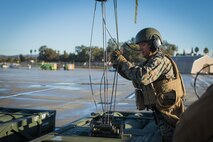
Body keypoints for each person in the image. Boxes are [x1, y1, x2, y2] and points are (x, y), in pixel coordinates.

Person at [110, 27, 185, 142]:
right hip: (162, 111)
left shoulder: (160, 60)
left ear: (154, 43)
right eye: (139, 45)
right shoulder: (150, 61)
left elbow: (142, 77)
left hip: (169, 114)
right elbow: (133, 76)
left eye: (143, 44)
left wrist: (122, 62)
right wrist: (118, 63)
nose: (140, 48)